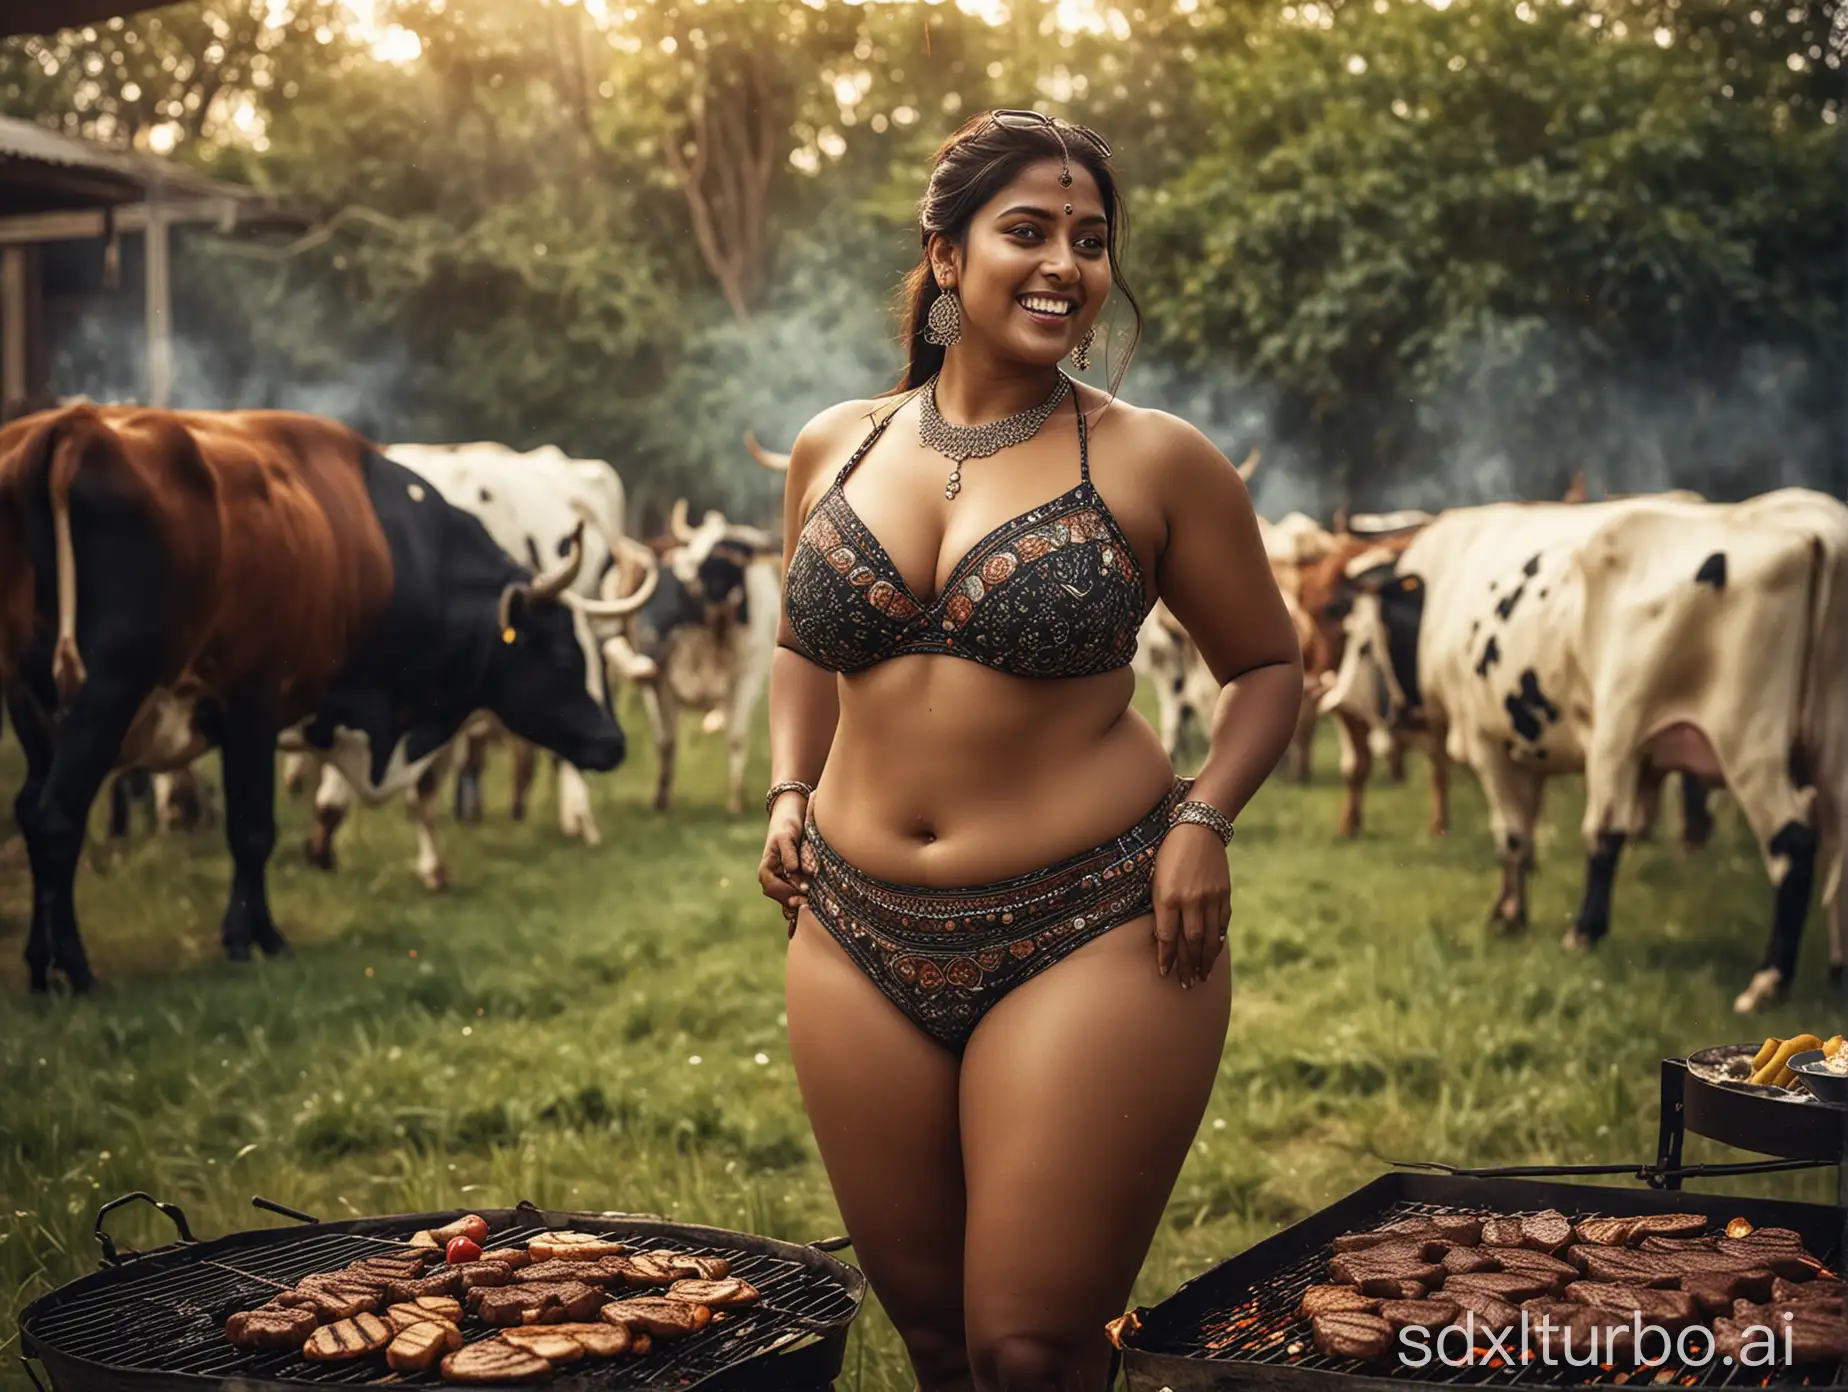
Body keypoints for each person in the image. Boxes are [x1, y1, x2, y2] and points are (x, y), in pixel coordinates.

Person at [758, 109, 1303, 1392]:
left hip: (1098, 927)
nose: (1067, 264)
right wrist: (790, 783)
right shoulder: (837, 445)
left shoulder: (1156, 458)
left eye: (1092, 239)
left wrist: (1203, 820)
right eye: (1029, 232)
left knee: (1031, 1349)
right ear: (946, 258)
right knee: (938, 1343)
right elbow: (800, 643)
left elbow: (1269, 672)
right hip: (850, 930)